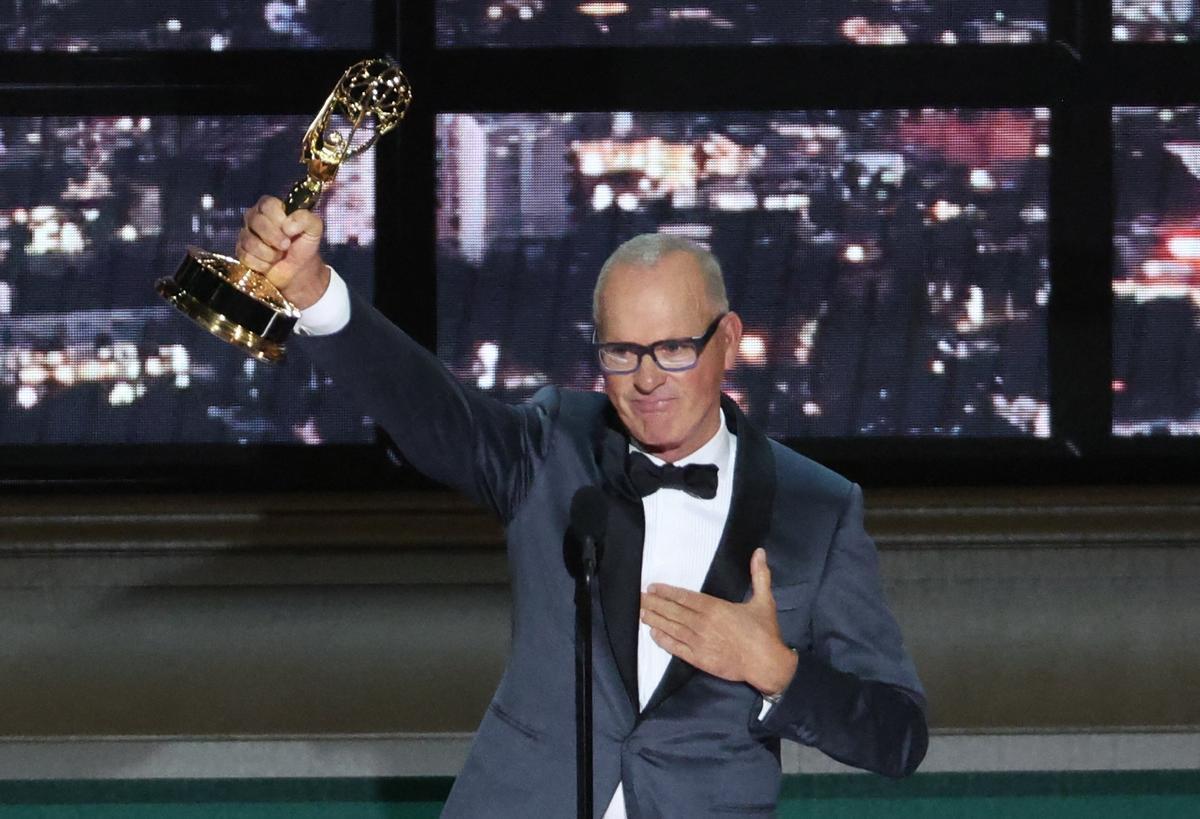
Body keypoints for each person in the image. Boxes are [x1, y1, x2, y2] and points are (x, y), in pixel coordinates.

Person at [236, 196, 928, 817]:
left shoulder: (817, 508)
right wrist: (315, 291)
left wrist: (776, 669)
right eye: (622, 352)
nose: (647, 378)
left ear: (727, 341)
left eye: (674, 349)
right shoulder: (553, 446)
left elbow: (898, 735)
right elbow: (433, 413)